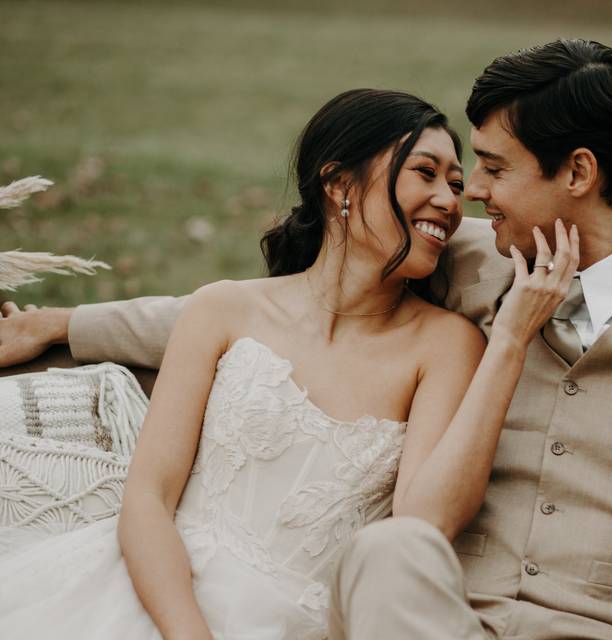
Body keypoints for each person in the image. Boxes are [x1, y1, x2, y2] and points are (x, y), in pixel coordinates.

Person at [0, 40, 612, 639]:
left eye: (490, 168)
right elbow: (285, 312)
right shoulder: (468, 262)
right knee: (392, 552)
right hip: (443, 619)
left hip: (611, 630)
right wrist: (63, 324)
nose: (468, 196)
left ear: (578, 173)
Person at [0, 88, 579, 639]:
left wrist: (510, 341)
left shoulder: (446, 347)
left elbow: (423, 522)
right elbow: (148, 500)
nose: (451, 201)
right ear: (338, 183)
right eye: (424, 173)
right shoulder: (221, 310)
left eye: (456, 184)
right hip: (147, 598)